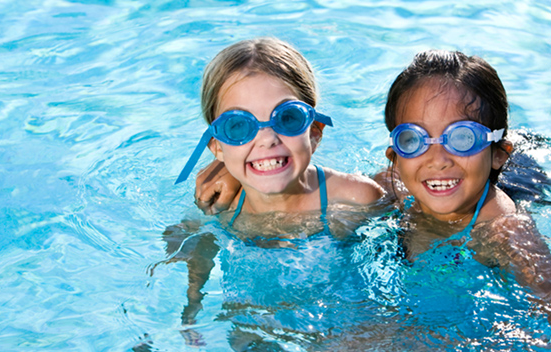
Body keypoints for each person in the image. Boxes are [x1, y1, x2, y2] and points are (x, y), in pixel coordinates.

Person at [195, 49, 551, 307]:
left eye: (463, 137)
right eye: (414, 140)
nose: (438, 160)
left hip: (528, 177)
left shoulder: (506, 230)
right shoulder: (396, 186)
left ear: (497, 152)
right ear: (395, 155)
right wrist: (238, 167)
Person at [160, 37, 387, 348]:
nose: (267, 139)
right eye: (238, 126)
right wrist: (192, 304)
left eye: (288, 118)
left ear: (315, 131)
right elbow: (191, 243)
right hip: (251, 328)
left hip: (341, 333)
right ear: (217, 147)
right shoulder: (219, 206)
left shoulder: (352, 197)